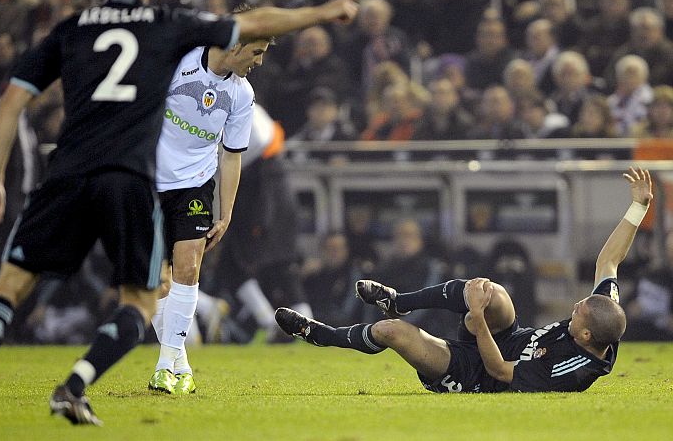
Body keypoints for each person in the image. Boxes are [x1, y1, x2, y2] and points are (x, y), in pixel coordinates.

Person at [0, 0, 367, 427]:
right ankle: (78, 384)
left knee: (14, 285)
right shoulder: (167, 30)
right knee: (143, 297)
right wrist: (320, 12)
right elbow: (252, 22)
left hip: (82, 169)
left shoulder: (72, 27)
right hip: (133, 178)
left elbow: (13, 98)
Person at [277, 167, 652, 393]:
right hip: (509, 338)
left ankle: (319, 334)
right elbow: (609, 260)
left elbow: (500, 371)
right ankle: (399, 300)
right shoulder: (605, 317)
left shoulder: (570, 369)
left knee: (393, 332)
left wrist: (476, 320)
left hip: (476, 374)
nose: (576, 306)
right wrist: (639, 206)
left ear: (585, 337)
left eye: (580, 312)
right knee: (491, 291)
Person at [148, 12, 268, 395]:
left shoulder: (242, 94)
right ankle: (180, 363)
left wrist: (226, 210)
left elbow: (231, 155)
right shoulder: (180, 62)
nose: (259, 61)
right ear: (234, 45)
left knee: (188, 267)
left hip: (195, 185)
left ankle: (165, 366)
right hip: (150, 181)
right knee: (155, 281)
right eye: (256, 51)